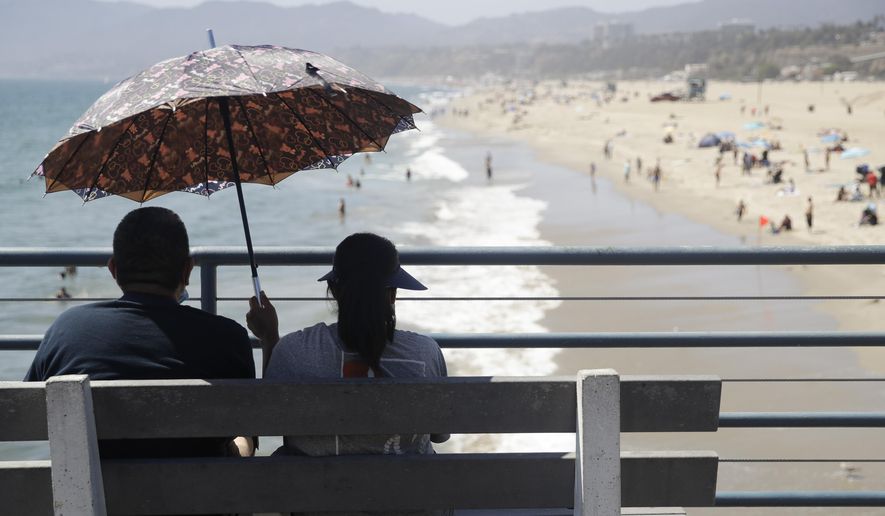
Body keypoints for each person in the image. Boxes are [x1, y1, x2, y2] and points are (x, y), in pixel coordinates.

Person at [25, 207, 256, 458]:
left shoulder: (66, 331)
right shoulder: (228, 338)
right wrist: (270, 339)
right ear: (188, 270)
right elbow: (251, 427)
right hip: (200, 495)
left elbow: (28, 414)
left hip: (95, 496)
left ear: (113, 269)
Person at [247, 234, 449, 465]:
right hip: (409, 498)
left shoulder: (294, 352)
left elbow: (271, 422)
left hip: (314, 498)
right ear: (393, 293)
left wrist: (269, 339)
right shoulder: (425, 353)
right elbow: (438, 435)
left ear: (333, 290)